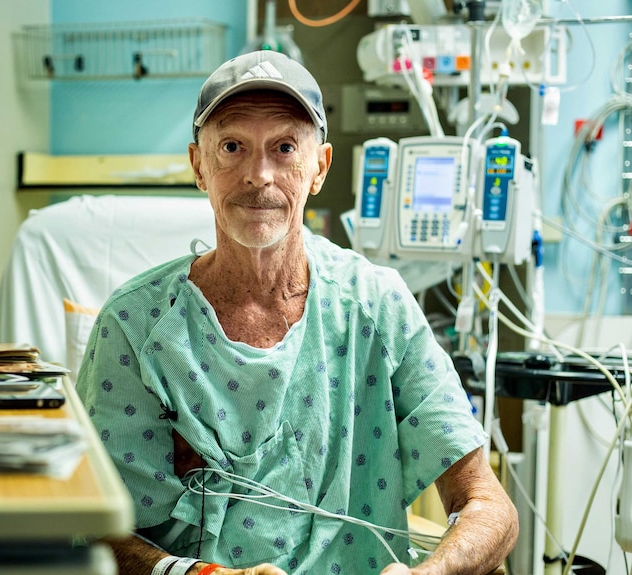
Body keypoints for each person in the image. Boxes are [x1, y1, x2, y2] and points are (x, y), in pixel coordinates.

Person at [76, 50, 518, 575]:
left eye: (284, 148)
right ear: (199, 165)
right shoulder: (137, 327)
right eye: (233, 147)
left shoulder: (377, 307)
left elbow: (490, 507)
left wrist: (433, 572)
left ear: (319, 168)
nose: (258, 175)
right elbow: (94, 529)